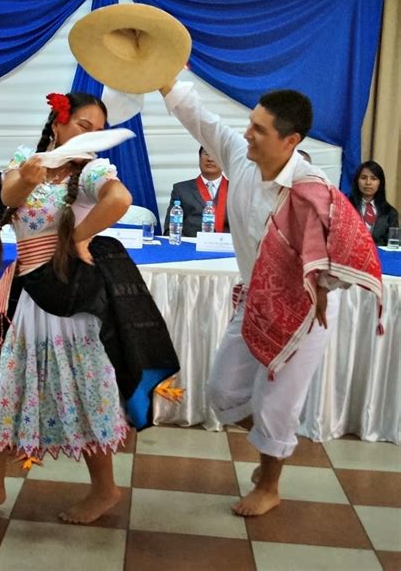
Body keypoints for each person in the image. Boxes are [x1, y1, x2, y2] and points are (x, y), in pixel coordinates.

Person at [0, 92, 179, 524]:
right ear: (58, 124)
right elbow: (9, 194)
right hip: (22, 295)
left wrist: (78, 237)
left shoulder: (90, 171)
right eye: (84, 125)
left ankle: (105, 489)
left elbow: (119, 199)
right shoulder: (27, 160)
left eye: (99, 130)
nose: (93, 135)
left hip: (65, 300)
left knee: (82, 391)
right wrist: (31, 173)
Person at [158, 80, 382, 517]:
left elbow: (342, 255)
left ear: (291, 141)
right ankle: (270, 448)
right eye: (250, 124)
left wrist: (321, 288)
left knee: (278, 403)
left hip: (304, 311)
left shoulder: (311, 189)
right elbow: (201, 120)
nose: (247, 134)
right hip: (253, 300)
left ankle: (270, 481)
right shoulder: (241, 159)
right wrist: (166, 78)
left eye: (259, 129)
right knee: (222, 390)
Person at [163, 146, 230, 236]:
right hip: (191, 247)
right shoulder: (181, 189)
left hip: (227, 247)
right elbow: (170, 229)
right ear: (199, 158)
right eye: (206, 154)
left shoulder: (238, 190)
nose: (210, 159)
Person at [349, 160, 398, 246]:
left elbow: (394, 246)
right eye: (363, 178)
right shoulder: (346, 208)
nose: (368, 183)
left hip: (380, 258)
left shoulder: (390, 213)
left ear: (380, 183)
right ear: (357, 181)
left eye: (374, 178)